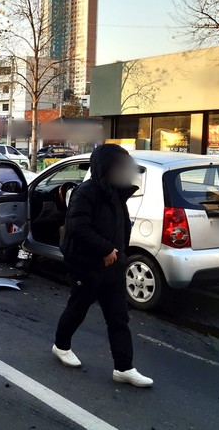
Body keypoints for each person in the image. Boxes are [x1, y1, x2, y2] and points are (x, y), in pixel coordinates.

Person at [53, 144, 153, 388]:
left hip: (113, 268)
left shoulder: (117, 194)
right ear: (105, 168)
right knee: (77, 309)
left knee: (118, 318)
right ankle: (61, 346)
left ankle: (124, 368)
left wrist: (119, 254)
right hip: (87, 265)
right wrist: (105, 249)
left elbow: (121, 230)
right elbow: (78, 227)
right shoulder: (86, 193)